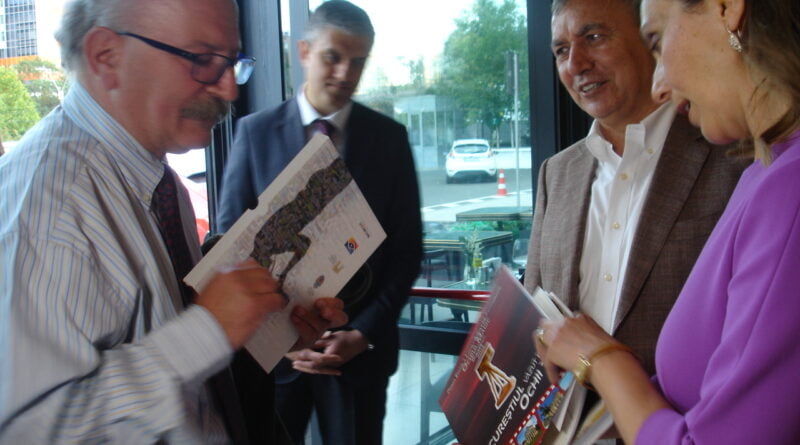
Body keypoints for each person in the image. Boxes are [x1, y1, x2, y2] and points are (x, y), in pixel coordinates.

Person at [0, 0, 346, 443]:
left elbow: (161, 351)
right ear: (106, 57)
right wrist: (207, 331)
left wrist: (263, 329)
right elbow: (25, 430)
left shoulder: (151, 175)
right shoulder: (53, 208)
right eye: (201, 59)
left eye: (232, 63)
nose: (229, 90)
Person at [535, 0, 800, 443]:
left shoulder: (774, 178)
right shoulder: (762, 171)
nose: (661, 86)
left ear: (726, 8)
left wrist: (600, 358)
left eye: (656, 41)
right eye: (561, 50)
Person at [217, 1, 422, 444]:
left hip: (360, 356)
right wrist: (280, 338)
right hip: (275, 360)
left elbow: (407, 252)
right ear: (305, 52)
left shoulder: (389, 140)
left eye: (359, 61)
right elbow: (230, 248)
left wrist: (362, 333)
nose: (346, 73)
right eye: (334, 56)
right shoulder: (254, 133)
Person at [524, 0, 744, 380]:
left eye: (594, 37)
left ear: (648, 39)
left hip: (686, 413)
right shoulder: (555, 174)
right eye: (561, 51)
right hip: (572, 416)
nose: (576, 64)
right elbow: (533, 314)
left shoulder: (734, 154)